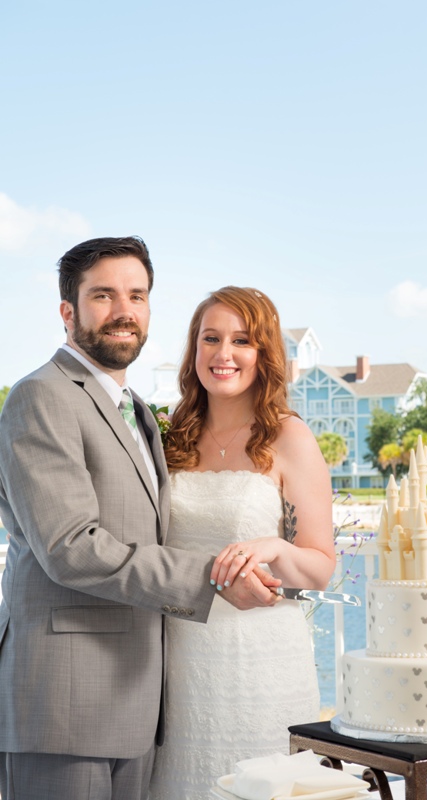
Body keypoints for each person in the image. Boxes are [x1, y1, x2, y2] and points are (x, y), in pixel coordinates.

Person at [0, 239, 280, 800]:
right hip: (64, 703)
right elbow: (69, 547)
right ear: (68, 312)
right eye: (102, 295)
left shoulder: (139, 414)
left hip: (137, 702)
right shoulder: (41, 397)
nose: (124, 310)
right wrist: (212, 576)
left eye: (137, 295)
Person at [149, 286, 335, 800]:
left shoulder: (289, 437)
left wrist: (273, 548)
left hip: (264, 661)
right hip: (179, 659)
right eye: (211, 338)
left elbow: (320, 568)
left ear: (265, 353)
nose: (223, 354)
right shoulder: (168, 435)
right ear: (194, 350)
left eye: (242, 340)